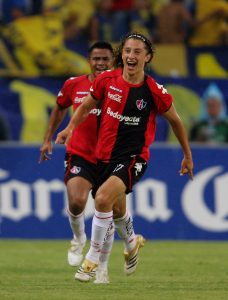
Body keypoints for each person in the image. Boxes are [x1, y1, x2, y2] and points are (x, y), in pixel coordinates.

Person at [55, 32, 194, 282]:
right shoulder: (107, 80)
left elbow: (176, 121)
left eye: (137, 51)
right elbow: (86, 106)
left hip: (133, 157)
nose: (131, 56)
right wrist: (69, 128)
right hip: (104, 157)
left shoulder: (154, 90)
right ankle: (131, 243)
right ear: (122, 54)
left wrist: (187, 155)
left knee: (102, 199)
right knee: (117, 212)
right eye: (127, 51)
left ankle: (92, 260)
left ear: (147, 57)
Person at [39, 41, 115, 284]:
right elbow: (59, 108)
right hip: (80, 153)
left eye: (105, 59)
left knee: (111, 213)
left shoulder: (120, 86)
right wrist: (48, 138)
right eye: (96, 59)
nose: (101, 63)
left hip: (110, 156)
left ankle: (102, 266)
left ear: (112, 61)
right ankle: (78, 238)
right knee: (77, 201)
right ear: (89, 60)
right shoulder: (74, 84)